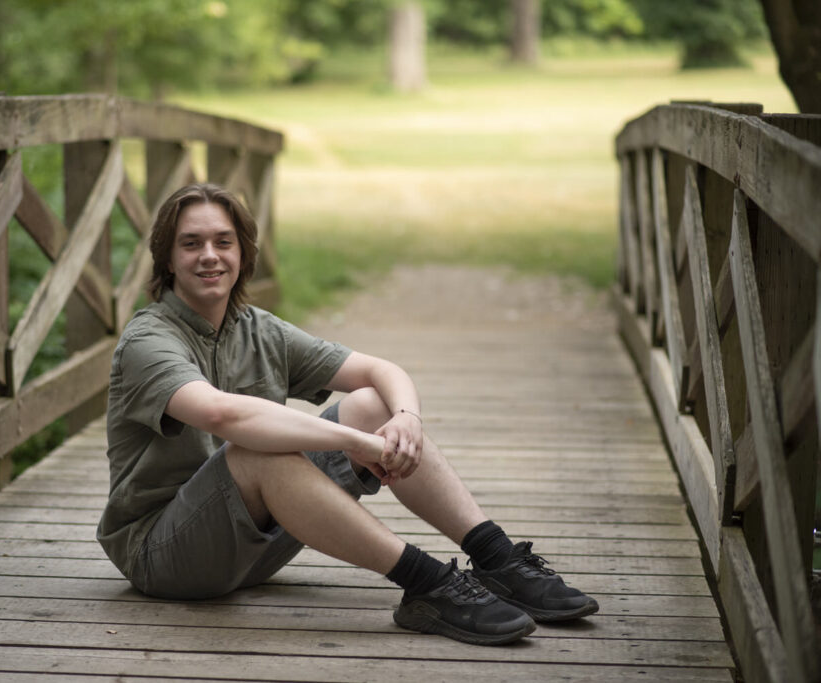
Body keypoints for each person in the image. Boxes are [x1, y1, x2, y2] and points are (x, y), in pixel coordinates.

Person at [97, 183, 598, 646]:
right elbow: (222, 414)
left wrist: (406, 418)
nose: (209, 255)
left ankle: (495, 558)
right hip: (163, 556)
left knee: (374, 405)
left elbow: (381, 370)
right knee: (256, 452)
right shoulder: (148, 341)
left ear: (243, 252)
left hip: (252, 548)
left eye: (223, 241)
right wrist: (355, 443)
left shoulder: (257, 329)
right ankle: (429, 586)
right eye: (191, 244)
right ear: (167, 258)